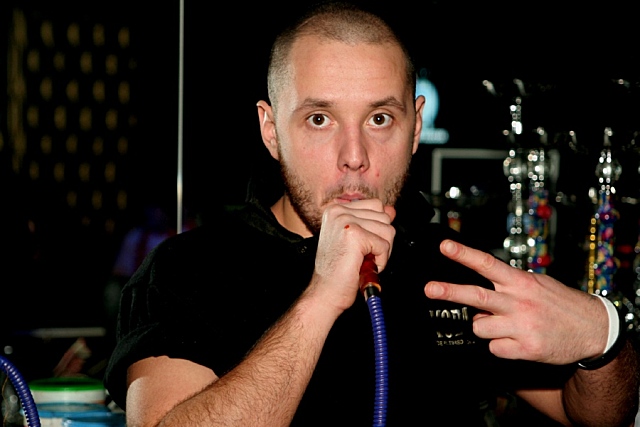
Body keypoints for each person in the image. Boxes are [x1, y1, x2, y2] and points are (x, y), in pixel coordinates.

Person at [104, 2, 640, 426]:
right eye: (319, 119)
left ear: (415, 127)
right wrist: (319, 300)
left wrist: (603, 343)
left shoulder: (450, 265)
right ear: (271, 131)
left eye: (380, 118)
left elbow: (592, 415)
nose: (354, 155)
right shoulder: (188, 270)